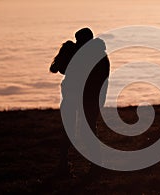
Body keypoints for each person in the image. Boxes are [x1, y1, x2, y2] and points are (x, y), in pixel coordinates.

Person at [50, 27, 110, 176]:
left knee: (84, 131)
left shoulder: (95, 56)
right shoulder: (95, 55)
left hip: (85, 99)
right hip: (80, 98)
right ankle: (68, 165)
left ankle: (93, 166)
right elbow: (58, 68)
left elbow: (61, 69)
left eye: (79, 40)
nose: (78, 43)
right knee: (77, 131)